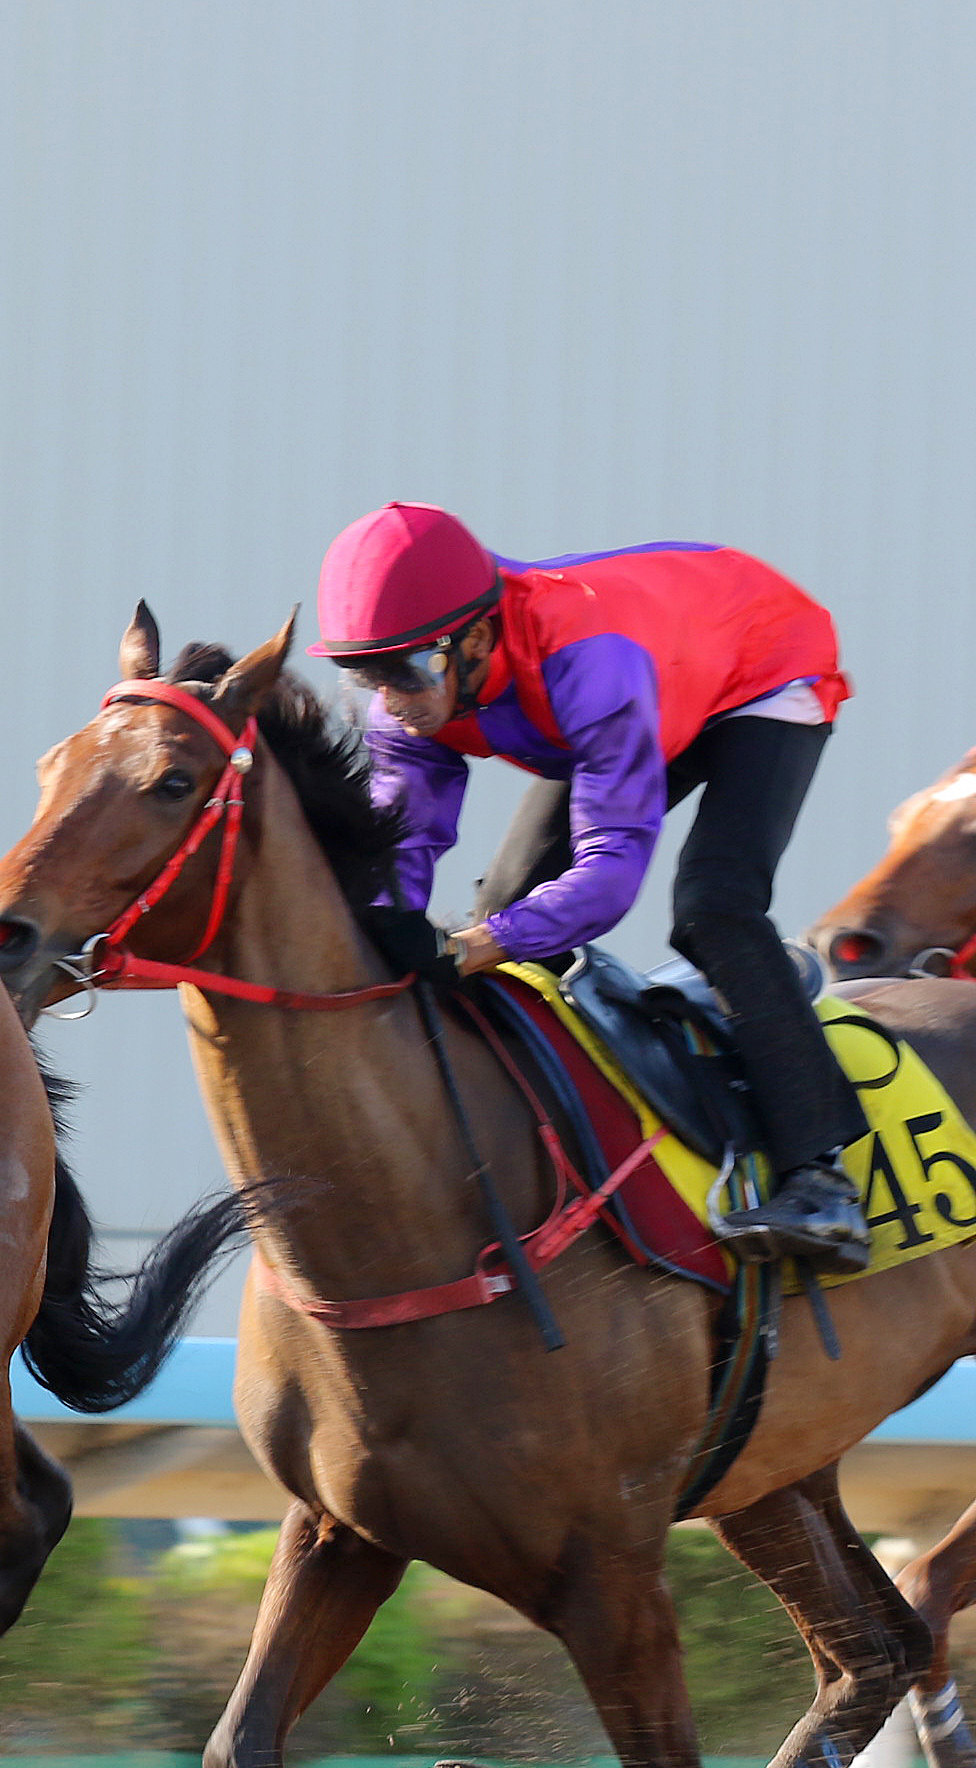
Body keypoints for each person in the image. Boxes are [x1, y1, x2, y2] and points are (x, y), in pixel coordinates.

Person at [318, 502, 870, 1268]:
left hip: (762, 668)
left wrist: (480, 945)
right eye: (369, 678)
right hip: (652, 680)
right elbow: (400, 848)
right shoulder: (411, 695)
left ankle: (822, 1179)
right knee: (501, 907)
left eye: (407, 673)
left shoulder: (588, 661)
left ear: (475, 638)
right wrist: (392, 927)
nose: (396, 701)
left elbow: (609, 875)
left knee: (712, 904)